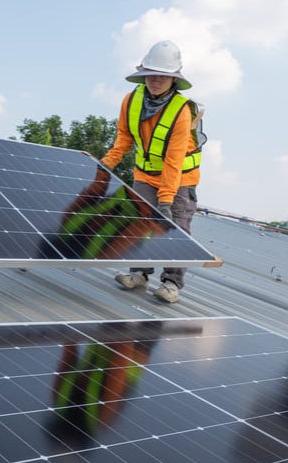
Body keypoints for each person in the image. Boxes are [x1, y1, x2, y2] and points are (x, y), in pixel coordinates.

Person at [100, 40, 205, 304]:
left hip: (179, 179)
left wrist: (166, 200)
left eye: (163, 75)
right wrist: (106, 164)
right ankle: (139, 274)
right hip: (145, 175)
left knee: (176, 227)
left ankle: (171, 283)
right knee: (139, 222)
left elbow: (174, 159)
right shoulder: (131, 100)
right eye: (151, 74)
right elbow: (124, 136)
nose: (156, 80)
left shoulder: (181, 111)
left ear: (173, 79)